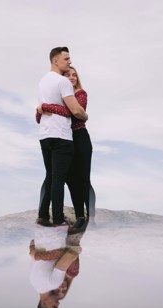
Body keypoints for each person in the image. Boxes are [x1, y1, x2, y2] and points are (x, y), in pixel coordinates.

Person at [37, 66, 96, 229]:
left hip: (80, 138)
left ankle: (90, 216)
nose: (71, 77)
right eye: (67, 75)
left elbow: (75, 112)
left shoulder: (79, 94)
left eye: (74, 75)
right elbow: (39, 116)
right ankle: (78, 215)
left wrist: (46, 106)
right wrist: (41, 108)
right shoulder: (62, 95)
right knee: (68, 179)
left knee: (83, 179)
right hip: (65, 139)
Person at [29, 224, 81, 308]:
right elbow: (32, 246)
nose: (58, 303)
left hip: (60, 230)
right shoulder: (33, 282)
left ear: (44, 304)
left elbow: (71, 254)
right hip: (42, 229)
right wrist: (35, 253)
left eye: (54, 306)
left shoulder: (53, 283)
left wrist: (40, 255)